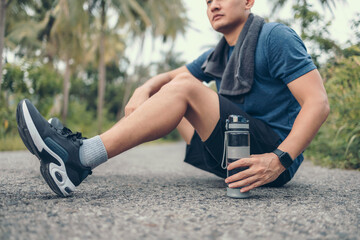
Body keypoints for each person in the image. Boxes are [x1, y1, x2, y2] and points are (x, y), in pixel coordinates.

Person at [16, 0, 330, 197]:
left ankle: (80, 157)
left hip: (269, 157)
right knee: (178, 82)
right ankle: (78, 151)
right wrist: (143, 89)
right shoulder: (218, 54)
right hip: (234, 156)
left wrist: (279, 160)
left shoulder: (276, 37)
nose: (212, 5)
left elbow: (318, 103)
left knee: (186, 86)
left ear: (249, 1)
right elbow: (166, 76)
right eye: (207, 2)